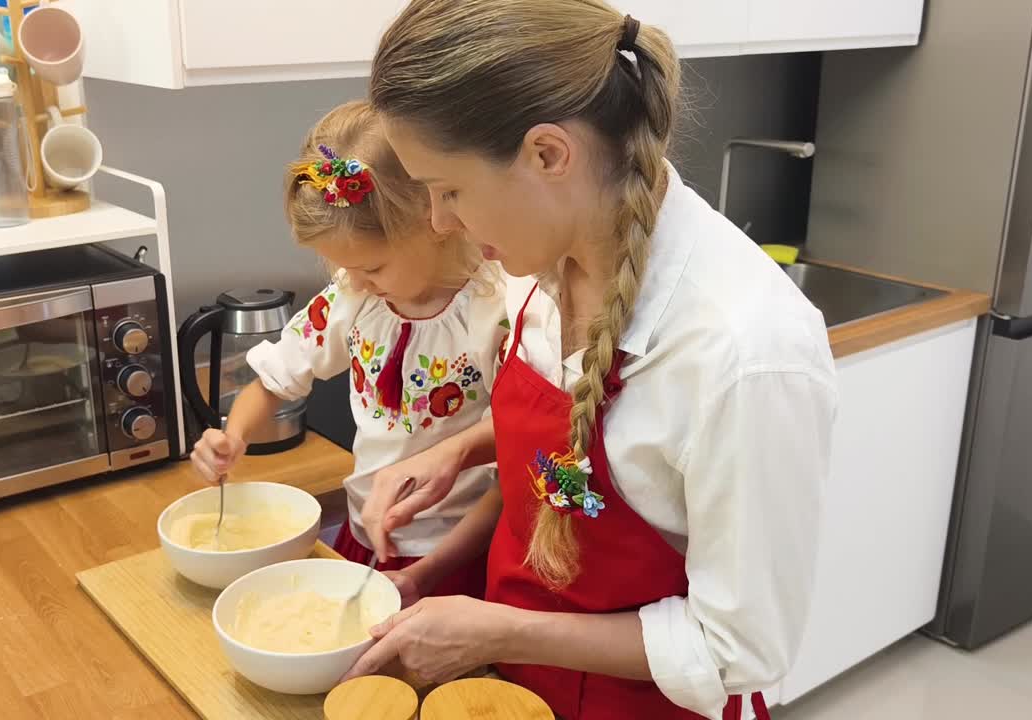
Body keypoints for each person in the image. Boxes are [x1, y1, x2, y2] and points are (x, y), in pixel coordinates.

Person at [344, 2, 838, 719]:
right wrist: (465, 452)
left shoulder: (745, 355)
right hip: (510, 689)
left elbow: (740, 650)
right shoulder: (538, 265)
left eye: (448, 190)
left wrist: (504, 628)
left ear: (548, 154)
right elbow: (582, 460)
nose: (440, 222)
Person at [189, 100, 506, 601]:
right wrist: (234, 436)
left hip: (457, 552)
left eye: (374, 268)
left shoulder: (492, 309)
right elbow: (274, 380)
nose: (354, 282)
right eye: (342, 267)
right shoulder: (353, 298)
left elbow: (517, 431)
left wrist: (425, 575)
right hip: (365, 537)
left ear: (435, 222)